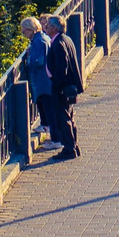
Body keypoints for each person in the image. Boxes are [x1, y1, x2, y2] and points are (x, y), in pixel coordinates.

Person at [42, 14, 84, 159]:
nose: (45, 28)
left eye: (47, 26)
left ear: (54, 28)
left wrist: (56, 85)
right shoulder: (66, 39)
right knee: (69, 117)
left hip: (62, 88)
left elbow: (62, 68)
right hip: (68, 87)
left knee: (63, 118)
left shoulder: (59, 43)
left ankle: (69, 149)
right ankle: (73, 146)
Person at [18, 16, 55, 148]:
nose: (23, 34)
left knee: (46, 105)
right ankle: (48, 127)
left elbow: (38, 61)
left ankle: (48, 129)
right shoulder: (43, 38)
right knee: (46, 105)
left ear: (31, 29)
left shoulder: (38, 41)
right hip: (45, 79)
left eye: (24, 31)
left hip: (42, 79)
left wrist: (29, 58)